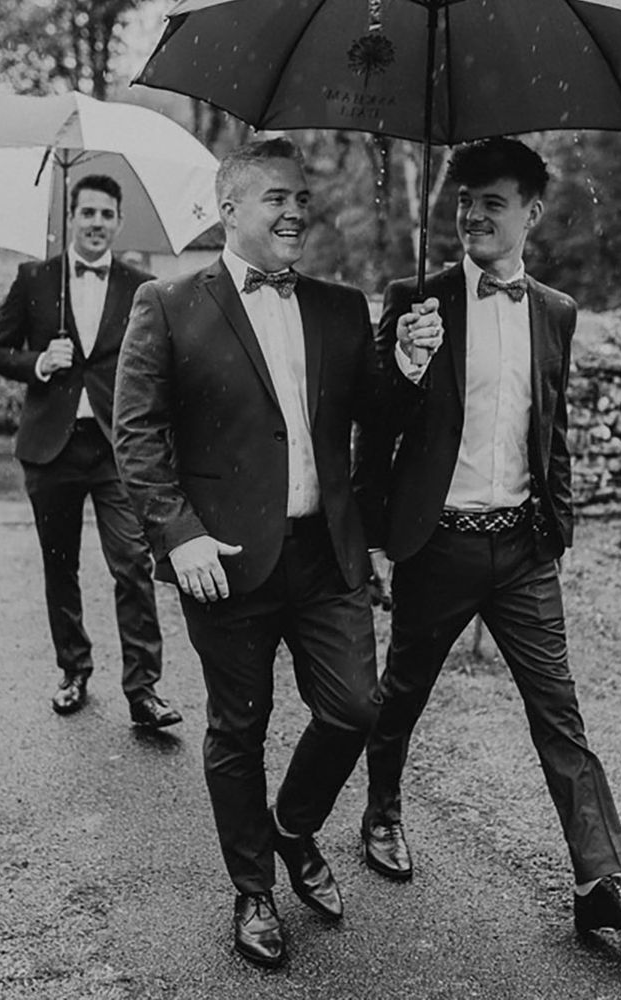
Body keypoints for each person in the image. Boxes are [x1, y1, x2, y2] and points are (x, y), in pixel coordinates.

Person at [112, 137, 440, 969]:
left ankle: (292, 828)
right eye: (277, 198)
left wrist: (408, 364)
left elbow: (377, 418)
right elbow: (136, 436)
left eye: (302, 197)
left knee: (356, 708)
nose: (296, 211)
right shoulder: (168, 303)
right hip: (223, 560)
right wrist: (180, 534)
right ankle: (253, 889)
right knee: (239, 727)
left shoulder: (340, 307)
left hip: (326, 553)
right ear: (229, 210)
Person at [357, 137, 621, 936]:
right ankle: (381, 813)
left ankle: (597, 882)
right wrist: (407, 363)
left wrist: (555, 528)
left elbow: (550, 429)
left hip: (524, 551)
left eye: (491, 203)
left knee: (559, 710)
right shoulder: (416, 298)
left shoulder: (556, 312)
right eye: (465, 201)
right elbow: (375, 423)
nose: (472, 215)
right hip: (438, 544)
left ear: (530, 213)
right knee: (403, 693)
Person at [0, 174, 180, 730]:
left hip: (119, 448)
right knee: (60, 564)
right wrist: (40, 362)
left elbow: (160, 365)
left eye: (106, 214)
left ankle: (143, 690)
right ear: (71, 217)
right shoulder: (35, 279)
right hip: (51, 447)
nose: (96, 222)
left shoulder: (143, 286)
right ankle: (73, 670)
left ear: (119, 221)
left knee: (133, 565)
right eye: (87, 212)